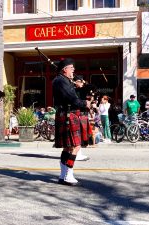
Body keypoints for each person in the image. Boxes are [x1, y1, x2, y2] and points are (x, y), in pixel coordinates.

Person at [53, 58, 91, 186]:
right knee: (76, 146)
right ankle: (68, 174)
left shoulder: (64, 81)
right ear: (65, 69)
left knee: (68, 147)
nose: (73, 70)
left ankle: (63, 175)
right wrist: (85, 103)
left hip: (67, 115)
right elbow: (72, 99)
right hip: (68, 115)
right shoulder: (60, 81)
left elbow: (74, 96)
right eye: (71, 68)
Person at [73, 75, 91, 161]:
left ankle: (78, 153)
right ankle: (77, 154)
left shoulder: (83, 89)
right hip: (76, 113)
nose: (79, 83)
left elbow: (92, 87)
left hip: (82, 113)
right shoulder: (72, 90)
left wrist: (83, 82)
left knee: (82, 134)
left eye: (80, 81)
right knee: (78, 134)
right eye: (78, 81)